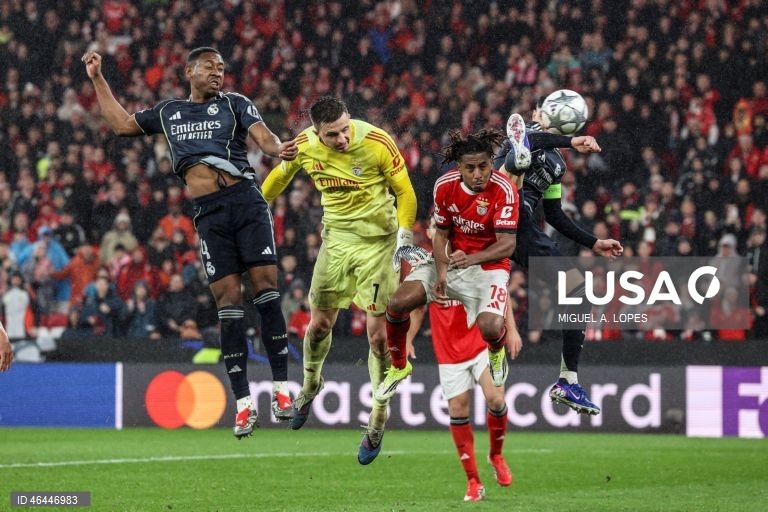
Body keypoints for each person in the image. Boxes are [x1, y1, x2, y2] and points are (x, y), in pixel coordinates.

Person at [83, 46, 299, 438]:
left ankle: (282, 391)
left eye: (222, 67)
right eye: (210, 67)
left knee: (266, 292)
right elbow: (121, 124)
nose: (218, 73)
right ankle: (243, 404)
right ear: (189, 71)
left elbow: (263, 137)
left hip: (247, 203)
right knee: (228, 304)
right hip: (210, 214)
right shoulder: (169, 112)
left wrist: (278, 149)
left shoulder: (235, 104)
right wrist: (98, 78)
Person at [261, 96, 425, 464]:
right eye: (332, 135)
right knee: (319, 325)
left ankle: (377, 421)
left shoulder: (377, 142)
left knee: (379, 337)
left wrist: (404, 239)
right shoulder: (303, 146)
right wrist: (256, 209)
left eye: (345, 128)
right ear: (317, 133)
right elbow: (278, 179)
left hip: (380, 245)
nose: (343, 139)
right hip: (336, 243)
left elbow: (405, 193)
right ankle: (310, 386)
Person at [378, 129, 519, 409]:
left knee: (490, 326)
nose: (479, 174)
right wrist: (441, 273)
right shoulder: (444, 186)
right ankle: (398, 365)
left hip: (489, 266)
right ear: (460, 168)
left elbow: (507, 246)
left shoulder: (504, 189)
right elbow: (440, 233)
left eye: (484, 166)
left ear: (492, 163)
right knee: (397, 303)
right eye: (471, 168)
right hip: (451, 261)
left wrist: (473, 258)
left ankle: (495, 352)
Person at [496, 109, 623, 415]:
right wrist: (571, 140)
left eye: (544, 110)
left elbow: (553, 214)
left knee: (579, 290)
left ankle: (567, 381)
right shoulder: (525, 135)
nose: (538, 114)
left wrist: (594, 242)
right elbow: (532, 136)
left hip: (522, 226)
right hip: (495, 210)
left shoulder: (557, 164)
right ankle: (492, 345)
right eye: (541, 110)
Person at [406, 218, 522, 502]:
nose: (436, 229)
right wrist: (407, 339)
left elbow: (497, 291)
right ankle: (473, 481)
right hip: (449, 352)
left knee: (496, 399)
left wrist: (512, 330)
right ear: (431, 232)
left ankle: (496, 455)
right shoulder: (427, 268)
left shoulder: (467, 255)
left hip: (480, 344)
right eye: (432, 226)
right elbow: (417, 309)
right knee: (458, 411)